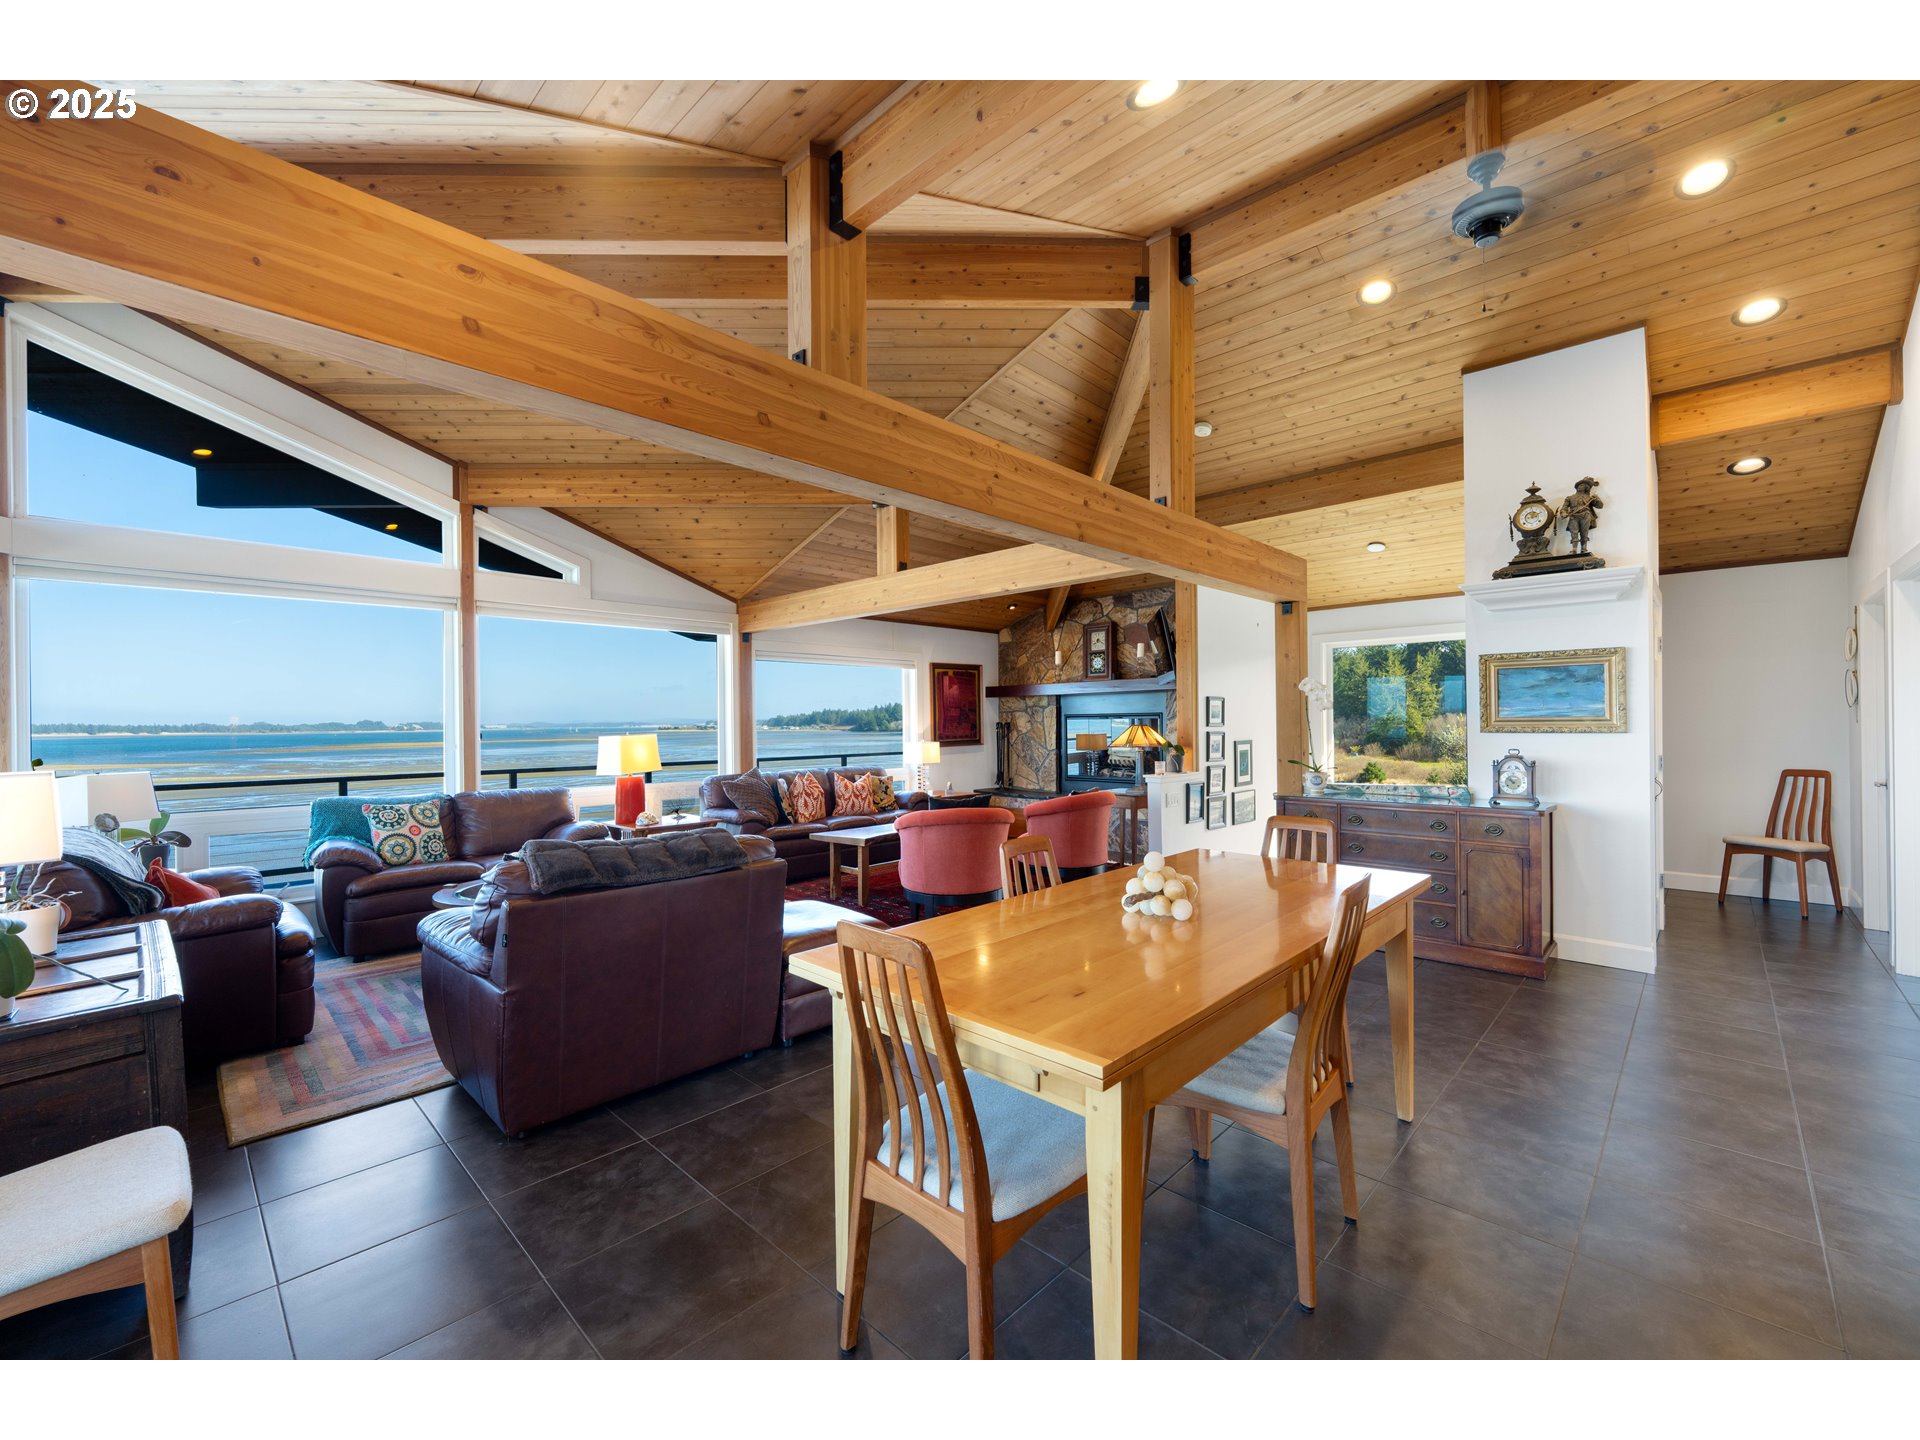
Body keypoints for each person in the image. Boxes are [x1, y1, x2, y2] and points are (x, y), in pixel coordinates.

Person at [1559, 477, 1603, 555]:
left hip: (1586, 515)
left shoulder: (1590, 498)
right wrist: (1563, 513)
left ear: (1586, 487)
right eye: (1579, 485)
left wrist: (1597, 499)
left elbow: (1600, 506)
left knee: (1584, 532)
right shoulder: (1570, 497)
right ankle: (1574, 549)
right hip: (1574, 516)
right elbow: (1564, 508)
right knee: (1574, 532)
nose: (1579, 486)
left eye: (1582, 485)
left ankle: (1584, 549)